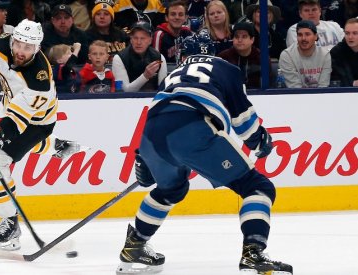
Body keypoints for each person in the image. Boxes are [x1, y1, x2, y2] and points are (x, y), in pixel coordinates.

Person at [116, 48, 293, 275]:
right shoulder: (226, 68)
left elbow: (161, 111)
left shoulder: (174, 73)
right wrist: (259, 140)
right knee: (258, 187)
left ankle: (135, 245)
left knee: (171, 190)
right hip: (192, 126)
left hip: (151, 134)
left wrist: (143, 156)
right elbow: (242, 117)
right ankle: (253, 254)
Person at [0, 19, 85, 251]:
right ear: (13, 39)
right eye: (18, 44)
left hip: (37, 122)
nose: (21, 51)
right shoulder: (0, 44)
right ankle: (58, 147)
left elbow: (18, 121)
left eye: (28, 48)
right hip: (11, 107)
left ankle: (10, 225)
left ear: (37, 48)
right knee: (8, 149)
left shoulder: (39, 78)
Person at [112, 21, 167, 92]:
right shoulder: (119, 58)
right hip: (126, 101)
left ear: (150, 40)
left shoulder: (159, 58)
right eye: (135, 38)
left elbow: (163, 89)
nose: (138, 42)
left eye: (143, 38)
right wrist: (145, 76)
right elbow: (124, 91)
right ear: (131, 40)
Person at [279, 20, 331, 88]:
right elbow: (294, 87)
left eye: (307, 34)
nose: (303, 38)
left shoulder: (325, 54)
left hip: (320, 96)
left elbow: (323, 86)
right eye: (300, 35)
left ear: (315, 36)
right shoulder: (287, 56)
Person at [218, 22, 269, 89]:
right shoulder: (223, 58)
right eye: (236, 37)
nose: (239, 40)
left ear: (252, 40)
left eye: (244, 37)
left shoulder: (262, 58)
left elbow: (268, 85)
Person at [330, 18, 358, 87]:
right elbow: (342, 77)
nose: (350, 37)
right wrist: (354, 83)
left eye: (355, 33)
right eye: (347, 33)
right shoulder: (337, 52)